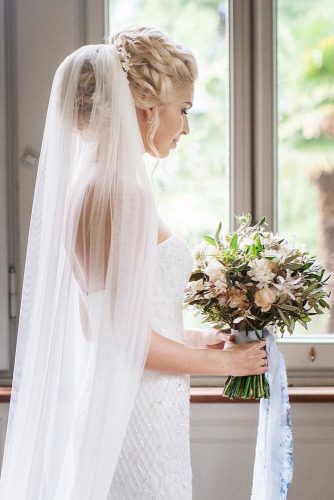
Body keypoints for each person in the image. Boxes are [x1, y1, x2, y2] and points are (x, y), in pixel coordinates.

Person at [0, 26, 267, 499]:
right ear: (147, 109)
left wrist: (203, 341)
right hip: (139, 413)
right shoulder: (123, 193)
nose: (186, 128)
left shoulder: (93, 184)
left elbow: (100, 324)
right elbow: (124, 339)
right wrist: (233, 364)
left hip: (126, 408)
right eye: (183, 110)